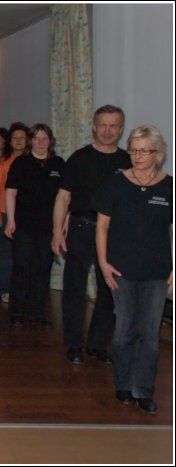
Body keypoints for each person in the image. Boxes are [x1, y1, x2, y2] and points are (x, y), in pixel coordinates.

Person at [94, 124, 172, 415]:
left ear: (158, 154)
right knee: (125, 330)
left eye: (144, 151)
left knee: (150, 334)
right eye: (134, 150)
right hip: (120, 270)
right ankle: (123, 384)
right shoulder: (115, 184)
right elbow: (102, 226)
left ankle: (144, 390)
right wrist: (103, 263)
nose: (137, 156)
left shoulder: (169, 186)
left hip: (157, 272)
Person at [51, 105, 130, 365]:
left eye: (113, 125)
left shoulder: (127, 161)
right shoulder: (79, 158)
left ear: (120, 129)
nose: (107, 131)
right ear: (94, 127)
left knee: (110, 290)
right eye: (103, 125)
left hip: (115, 234)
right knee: (74, 288)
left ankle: (97, 344)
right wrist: (56, 230)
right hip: (82, 228)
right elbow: (63, 197)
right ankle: (74, 344)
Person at [4, 123, 64, 326]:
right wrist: (10, 220)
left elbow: (65, 197)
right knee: (22, 267)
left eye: (44, 138)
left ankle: (36, 313)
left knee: (42, 268)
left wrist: (63, 224)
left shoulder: (58, 164)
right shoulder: (20, 163)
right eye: (36, 138)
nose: (40, 143)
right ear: (31, 141)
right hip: (24, 225)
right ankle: (17, 312)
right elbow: (10, 192)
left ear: (50, 141)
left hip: (48, 227)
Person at [0, 122, 28, 303]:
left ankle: (23, 288)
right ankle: (5, 289)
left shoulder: (32, 160)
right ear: (10, 141)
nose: (19, 141)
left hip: (26, 215)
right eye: (15, 138)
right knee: (7, 254)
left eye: (22, 138)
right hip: (5, 213)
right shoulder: (1, 161)